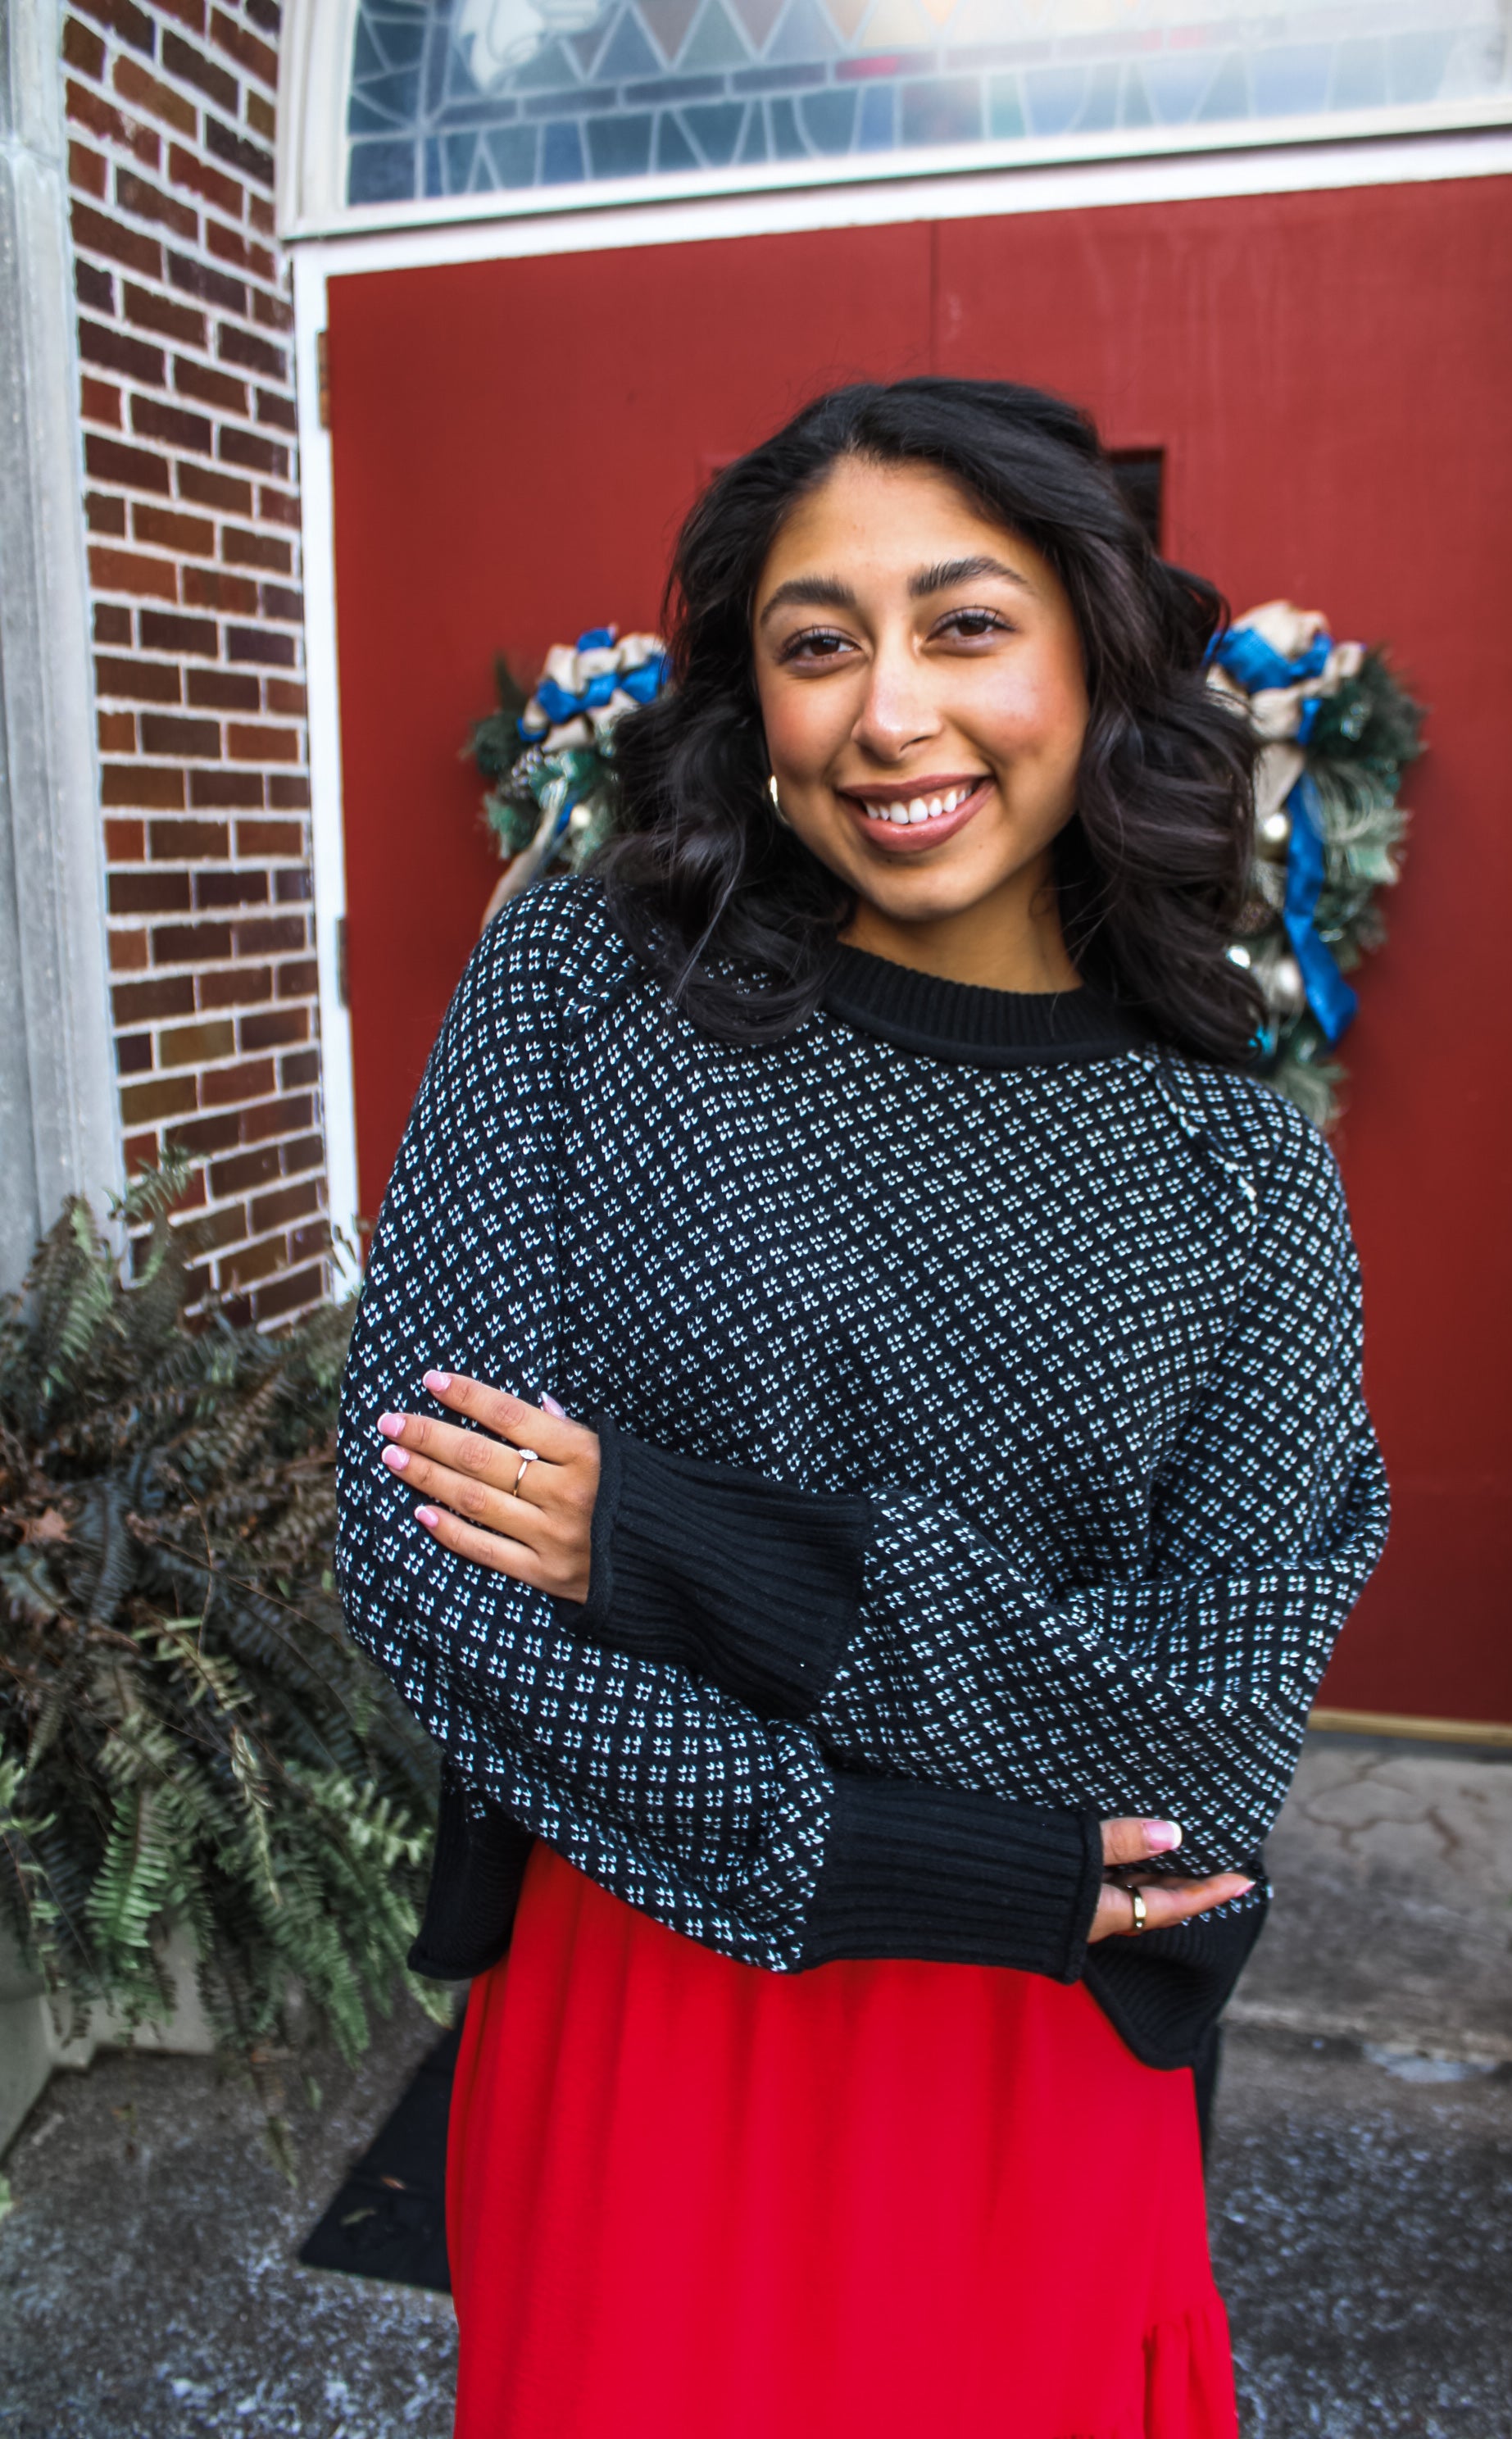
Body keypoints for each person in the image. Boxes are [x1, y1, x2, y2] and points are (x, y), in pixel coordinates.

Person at [335, 377, 1388, 2439]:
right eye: (818, 645)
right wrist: (904, 1854)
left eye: (964, 626)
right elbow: (426, 1557)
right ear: (755, 701)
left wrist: (675, 1548)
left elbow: (1207, 1730)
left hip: (1030, 2054)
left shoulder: (1236, 1172)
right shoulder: (582, 999)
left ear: (1095, 658)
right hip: (650, 1990)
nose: (890, 713)